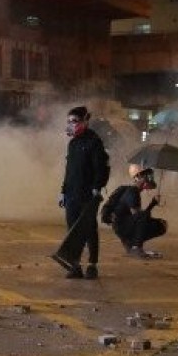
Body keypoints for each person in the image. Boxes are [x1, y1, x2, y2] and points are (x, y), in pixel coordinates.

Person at [52, 106, 109, 279]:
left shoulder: (94, 142)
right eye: (69, 121)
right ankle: (74, 265)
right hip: (71, 194)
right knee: (72, 231)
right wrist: (63, 191)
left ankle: (92, 265)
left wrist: (97, 188)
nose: (71, 124)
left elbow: (102, 169)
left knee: (89, 230)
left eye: (75, 121)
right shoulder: (73, 143)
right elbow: (69, 171)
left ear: (85, 121)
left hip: (87, 195)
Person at [111, 167, 167, 258]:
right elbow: (140, 217)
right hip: (122, 226)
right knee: (146, 218)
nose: (149, 178)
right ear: (138, 176)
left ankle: (131, 244)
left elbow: (139, 219)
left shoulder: (135, 192)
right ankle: (136, 247)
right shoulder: (132, 192)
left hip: (124, 225)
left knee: (161, 225)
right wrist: (151, 205)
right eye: (146, 175)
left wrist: (152, 204)